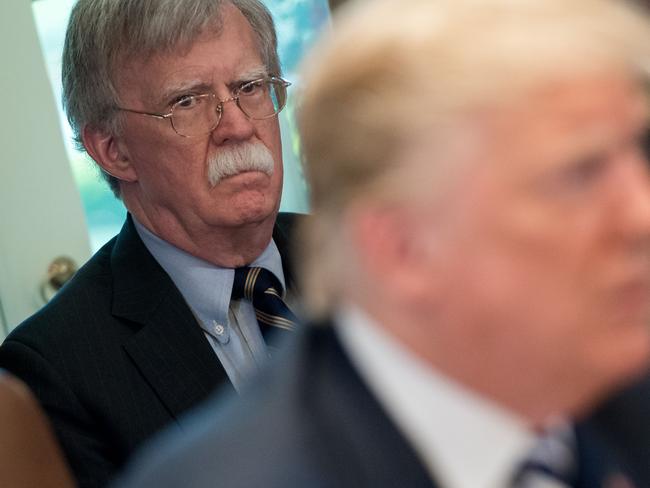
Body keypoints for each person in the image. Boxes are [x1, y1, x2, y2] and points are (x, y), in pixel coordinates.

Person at [111, 0, 650, 487]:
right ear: (404, 249)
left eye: (640, 156)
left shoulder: (619, 382)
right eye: (578, 176)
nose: (640, 216)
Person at [0, 0, 301, 487]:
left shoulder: (360, 252)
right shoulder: (57, 371)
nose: (239, 126)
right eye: (188, 102)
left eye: (250, 88)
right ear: (113, 150)